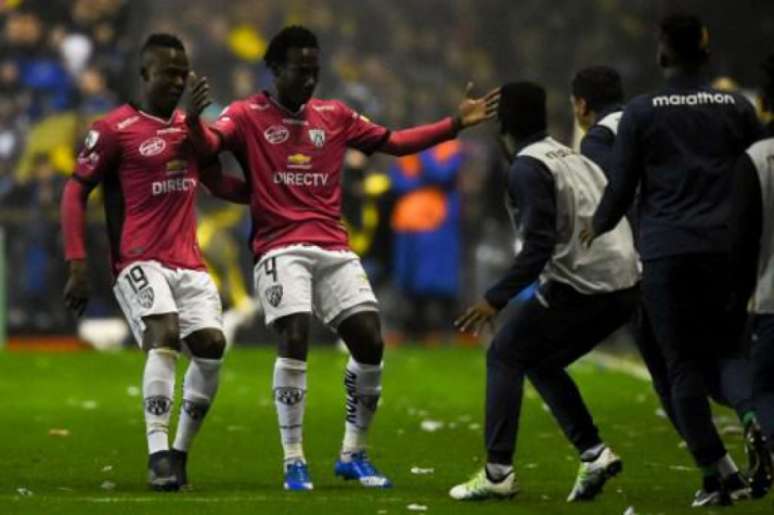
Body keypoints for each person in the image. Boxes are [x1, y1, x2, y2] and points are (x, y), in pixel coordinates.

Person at [185, 25, 499, 490]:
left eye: (315, 71)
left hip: (332, 245)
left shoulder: (334, 116)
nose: (310, 80)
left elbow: (393, 141)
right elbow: (209, 148)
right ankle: (294, 459)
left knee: (370, 340)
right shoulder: (246, 114)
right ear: (274, 69)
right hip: (280, 247)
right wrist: (192, 121)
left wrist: (453, 124)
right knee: (295, 334)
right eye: (300, 71)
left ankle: (353, 453)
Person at [582, 14, 763, 506]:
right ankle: (754, 421)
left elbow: (621, 189)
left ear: (662, 53)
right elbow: (758, 173)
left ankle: (714, 478)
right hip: (726, 249)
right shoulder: (736, 107)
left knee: (680, 366)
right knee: (729, 353)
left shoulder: (642, 112)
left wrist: (593, 227)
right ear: (706, 51)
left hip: (667, 251)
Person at [60, 33, 249, 491]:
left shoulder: (190, 127)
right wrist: (78, 263)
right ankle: (158, 452)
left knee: (210, 346)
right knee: (162, 331)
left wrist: (271, 197)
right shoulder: (112, 130)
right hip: (137, 260)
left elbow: (217, 183)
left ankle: (180, 453)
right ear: (145, 74)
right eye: (169, 72)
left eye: (183, 73)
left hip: (188, 262)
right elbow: (74, 191)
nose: (177, 80)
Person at [449, 81, 640, 502]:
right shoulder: (569, 155)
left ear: (503, 122)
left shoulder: (527, 168)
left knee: (505, 353)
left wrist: (493, 298)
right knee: (541, 361)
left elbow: (536, 248)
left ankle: (498, 472)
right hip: (625, 282)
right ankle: (593, 453)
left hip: (586, 284)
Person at [731, 52, 774, 499]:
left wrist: (735, 303)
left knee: (761, 391)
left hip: (767, 300)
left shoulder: (756, 159)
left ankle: (766, 455)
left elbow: (742, 240)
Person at [390, 140, 464, 342]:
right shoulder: (405, 149)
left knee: (437, 281)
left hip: (436, 222)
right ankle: (414, 329)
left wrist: (423, 157)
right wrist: (425, 181)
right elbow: (398, 183)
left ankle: (443, 329)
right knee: (410, 280)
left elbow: (442, 175)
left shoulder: (448, 149)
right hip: (407, 224)